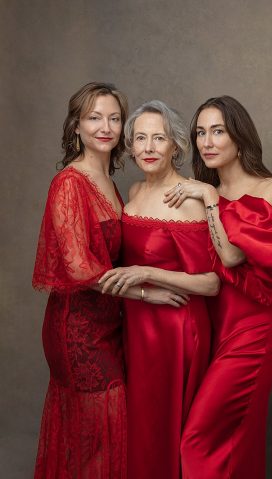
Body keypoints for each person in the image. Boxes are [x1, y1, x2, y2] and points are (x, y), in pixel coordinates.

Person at [32, 82, 182, 478]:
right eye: (94, 117)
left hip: (111, 325)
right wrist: (148, 292)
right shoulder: (69, 182)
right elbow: (80, 267)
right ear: (76, 126)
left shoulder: (111, 184)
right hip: (77, 330)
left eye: (114, 118)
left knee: (106, 436)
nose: (106, 126)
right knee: (96, 433)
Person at [163, 95, 272, 478]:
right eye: (200, 132)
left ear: (240, 136)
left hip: (257, 330)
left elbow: (231, 257)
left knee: (198, 438)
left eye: (218, 131)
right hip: (214, 327)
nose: (207, 142)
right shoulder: (196, 191)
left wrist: (211, 198)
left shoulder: (271, 189)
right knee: (237, 439)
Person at [97, 100, 219, 478]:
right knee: (142, 428)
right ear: (130, 146)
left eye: (159, 138)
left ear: (176, 146)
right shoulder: (132, 191)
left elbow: (211, 283)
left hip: (175, 331)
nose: (148, 148)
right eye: (140, 138)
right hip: (136, 323)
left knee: (166, 427)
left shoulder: (186, 200)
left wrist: (147, 272)